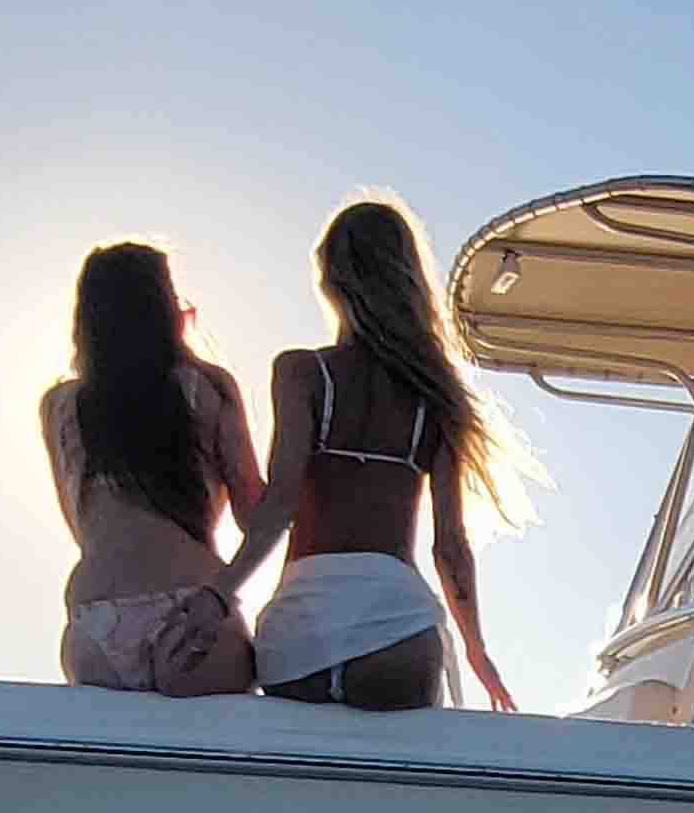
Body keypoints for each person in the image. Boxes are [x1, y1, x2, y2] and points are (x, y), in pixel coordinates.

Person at [226, 198, 532, 711]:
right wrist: (477, 650)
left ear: (331, 282)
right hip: (395, 626)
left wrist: (222, 590)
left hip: (302, 627)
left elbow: (278, 509)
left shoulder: (302, 373)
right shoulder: (436, 393)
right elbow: (450, 547)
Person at [46, 242, 265, 695]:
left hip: (94, 619)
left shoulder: (60, 406)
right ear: (165, 308)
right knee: (215, 758)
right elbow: (255, 516)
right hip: (188, 607)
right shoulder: (205, 386)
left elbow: (80, 524)